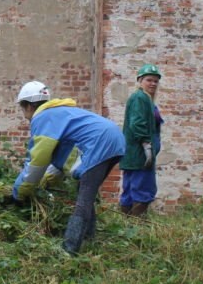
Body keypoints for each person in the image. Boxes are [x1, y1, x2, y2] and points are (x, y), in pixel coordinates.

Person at [11, 80, 125, 255]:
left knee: (85, 196)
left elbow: (37, 161)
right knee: (86, 190)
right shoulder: (59, 112)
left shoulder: (42, 118)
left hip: (100, 143)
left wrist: (20, 191)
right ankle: (89, 239)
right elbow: (58, 159)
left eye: (23, 108)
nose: (25, 114)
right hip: (113, 139)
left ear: (29, 106)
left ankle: (69, 250)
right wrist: (46, 181)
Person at [119, 64, 163, 217]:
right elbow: (137, 123)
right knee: (143, 189)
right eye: (149, 80)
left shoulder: (146, 99)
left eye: (156, 81)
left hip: (136, 155)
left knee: (131, 189)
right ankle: (137, 226)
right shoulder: (140, 97)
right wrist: (147, 146)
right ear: (140, 81)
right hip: (140, 155)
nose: (153, 84)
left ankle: (126, 225)